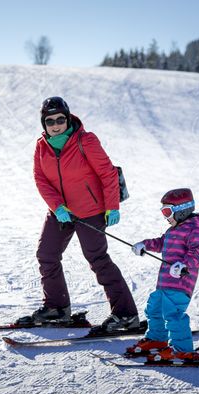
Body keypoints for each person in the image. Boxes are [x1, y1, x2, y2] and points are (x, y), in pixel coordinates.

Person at [26, 96, 139, 332]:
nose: (55, 125)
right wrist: (57, 206)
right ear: (43, 124)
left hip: (90, 211)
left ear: (67, 119)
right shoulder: (41, 146)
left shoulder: (85, 141)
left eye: (60, 119)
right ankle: (57, 308)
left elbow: (108, 174)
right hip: (61, 213)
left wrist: (112, 206)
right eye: (50, 121)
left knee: (97, 259)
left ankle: (125, 315)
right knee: (46, 254)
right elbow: (40, 178)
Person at [126, 188, 199, 362]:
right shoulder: (174, 229)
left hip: (181, 283)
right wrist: (145, 245)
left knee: (173, 315)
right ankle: (157, 339)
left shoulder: (194, 229)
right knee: (154, 309)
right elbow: (161, 243)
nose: (165, 217)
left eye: (167, 211)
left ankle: (182, 350)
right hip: (164, 283)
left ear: (182, 210)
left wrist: (184, 265)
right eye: (163, 212)